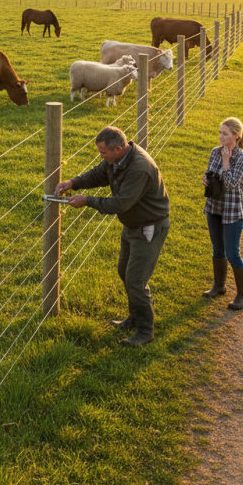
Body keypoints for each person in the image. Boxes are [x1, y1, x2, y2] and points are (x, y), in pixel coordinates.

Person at [54, 126, 170, 346]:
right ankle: (135, 318)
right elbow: (99, 173)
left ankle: (146, 331)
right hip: (133, 223)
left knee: (135, 279)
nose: (101, 157)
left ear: (118, 148)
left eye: (103, 153)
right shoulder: (118, 159)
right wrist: (73, 182)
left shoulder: (139, 168)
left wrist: (87, 200)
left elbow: (120, 203)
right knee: (124, 271)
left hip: (149, 227)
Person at [202, 117, 243, 310]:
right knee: (217, 250)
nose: (221, 137)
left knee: (232, 253)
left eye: (225, 133)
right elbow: (211, 174)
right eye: (220, 132)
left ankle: (242, 295)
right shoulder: (215, 152)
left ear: (236, 136)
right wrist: (206, 180)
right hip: (214, 207)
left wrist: (225, 161)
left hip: (232, 211)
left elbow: (230, 184)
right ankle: (219, 286)